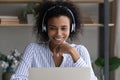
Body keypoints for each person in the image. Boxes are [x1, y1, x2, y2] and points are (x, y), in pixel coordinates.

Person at [10, 1, 97, 80]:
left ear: (72, 28)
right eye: (52, 28)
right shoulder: (33, 50)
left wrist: (73, 53)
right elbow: (17, 78)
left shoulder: (80, 51)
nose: (58, 34)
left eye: (63, 28)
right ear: (45, 28)